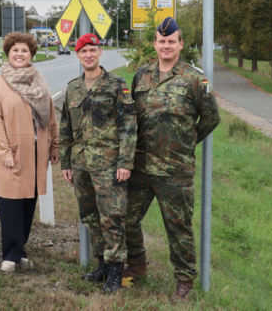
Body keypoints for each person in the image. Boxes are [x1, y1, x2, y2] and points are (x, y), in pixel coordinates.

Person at [124, 17, 221, 301]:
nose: (166, 45)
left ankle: (184, 279)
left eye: (171, 41)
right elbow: (132, 116)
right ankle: (138, 265)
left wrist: (187, 142)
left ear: (180, 44)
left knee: (178, 227)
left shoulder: (194, 78)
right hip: (141, 166)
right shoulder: (141, 75)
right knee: (127, 218)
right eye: (161, 41)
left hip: (175, 170)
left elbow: (212, 117)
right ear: (154, 44)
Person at [59, 33, 137, 293]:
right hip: (81, 164)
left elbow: (128, 126)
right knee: (90, 216)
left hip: (109, 164)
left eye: (92, 50)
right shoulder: (73, 88)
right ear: (78, 55)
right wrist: (66, 163)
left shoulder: (117, 84)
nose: (88, 55)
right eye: (83, 51)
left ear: (100, 52)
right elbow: (66, 129)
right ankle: (102, 264)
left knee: (112, 217)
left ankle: (116, 270)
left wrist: (125, 162)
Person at [0, 32, 59, 273]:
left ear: (31, 54)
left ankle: (20, 250)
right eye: (15, 50)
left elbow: (51, 116)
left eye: (24, 50)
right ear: (8, 53)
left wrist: (54, 146)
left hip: (36, 154)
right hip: (9, 155)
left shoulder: (40, 80)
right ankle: (10, 255)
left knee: (27, 205)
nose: (19, 54)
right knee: (9, 207)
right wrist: (4, 152)